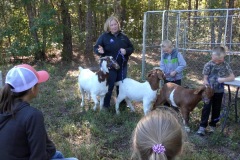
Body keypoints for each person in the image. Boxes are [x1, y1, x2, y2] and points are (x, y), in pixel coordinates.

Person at [0, 64, 78, 160]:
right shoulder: (32, 116)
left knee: (58, 154)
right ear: (33, 89)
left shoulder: (4, 107)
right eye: (38, 83)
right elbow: (38, 157)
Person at [94, 16, 134, 110]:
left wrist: (126, 51)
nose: (114, 26)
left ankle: (122, 103)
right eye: (111, 25)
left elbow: (131, 48)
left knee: (122, 85)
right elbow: (96, 48)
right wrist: (99, 50)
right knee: (110, 84)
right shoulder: (104, 37)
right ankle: (105, 105)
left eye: (115, 24)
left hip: (122, 66)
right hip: (109, 66)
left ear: (118, 25)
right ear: (108, 26)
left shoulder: (124, 37)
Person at [197, 46, 235, 136]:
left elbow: (232, 77)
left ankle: (212, 126)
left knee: (216, 108)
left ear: (223, 57)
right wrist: (207, 86)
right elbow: (205, 78)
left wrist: (223, 79)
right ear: (212, 56)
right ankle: (202, 127)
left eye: (219, 60)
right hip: (209, 92)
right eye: (215, 60)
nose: (217, 62)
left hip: (219, 91)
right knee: (206, 108)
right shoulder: (208, 65)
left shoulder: (225, 65)